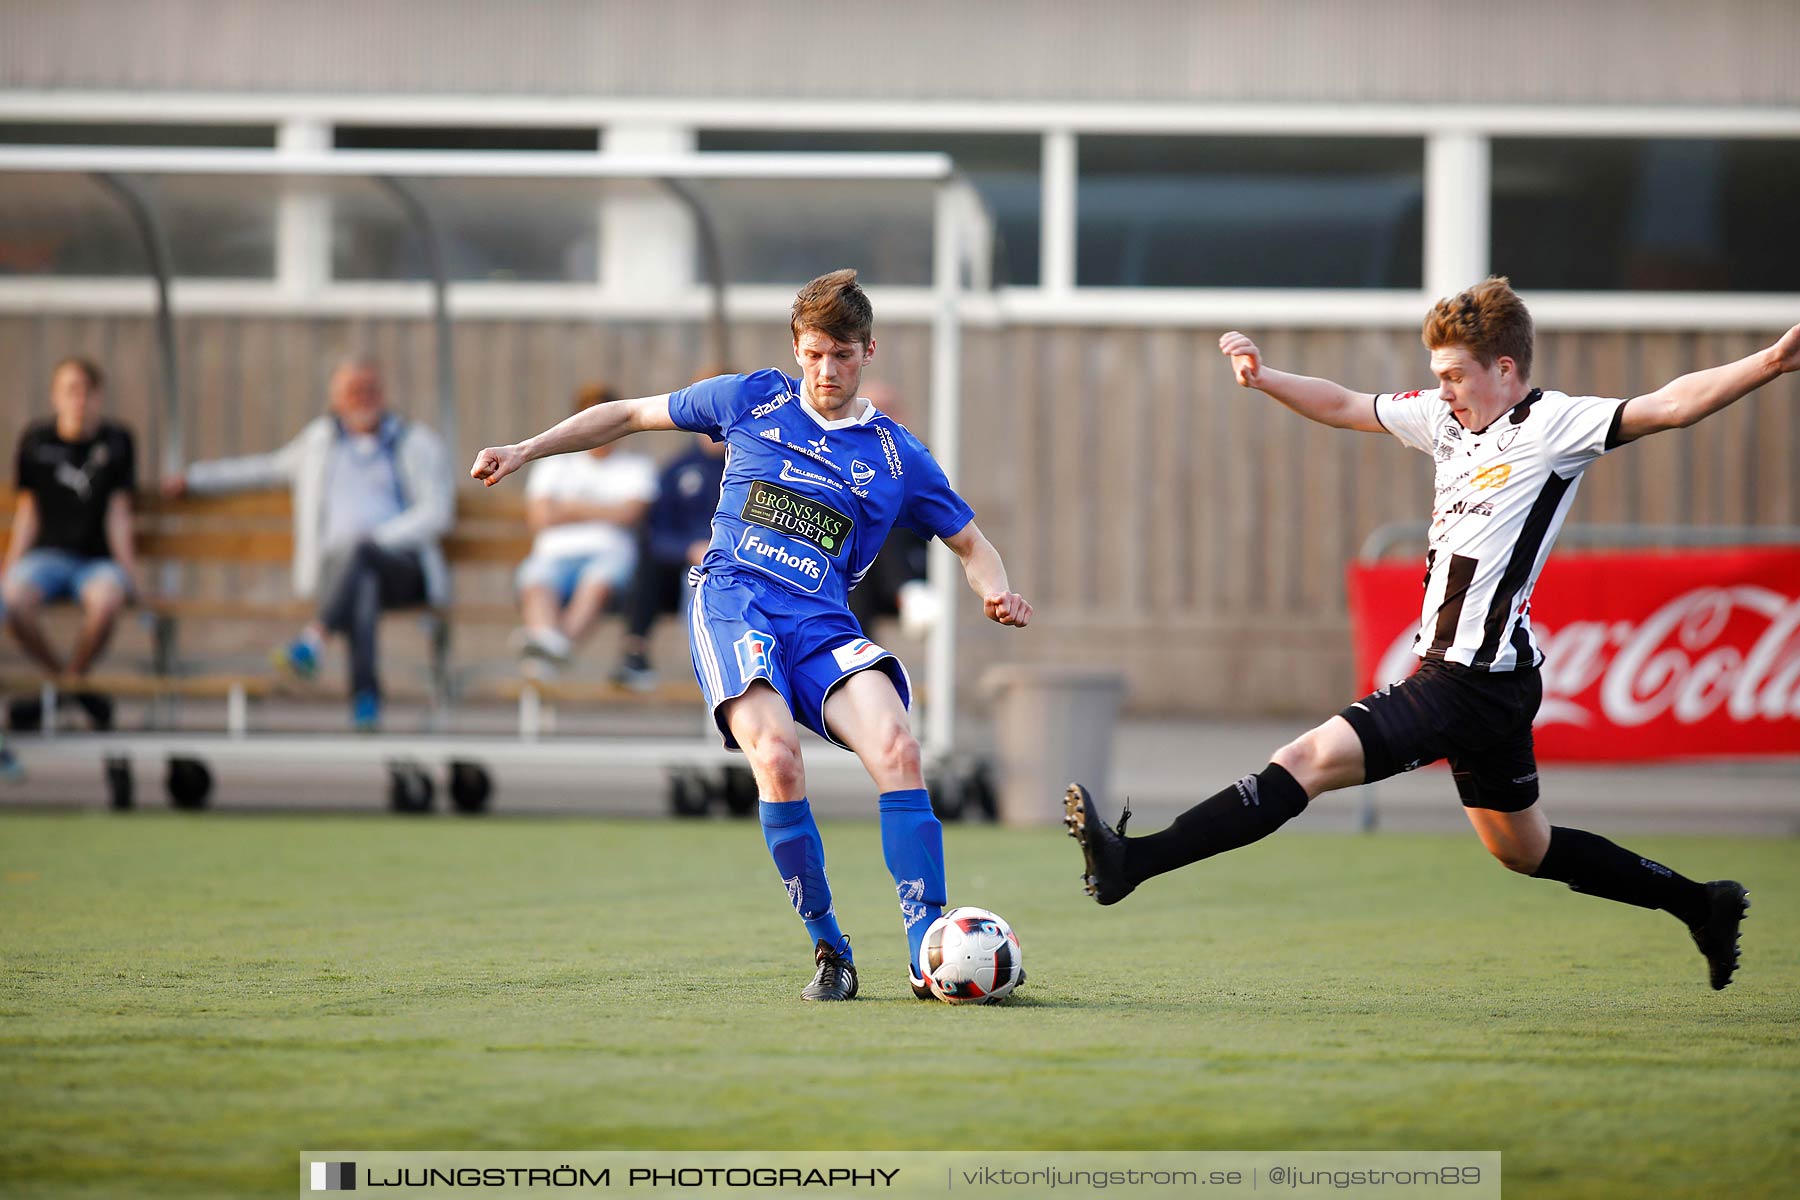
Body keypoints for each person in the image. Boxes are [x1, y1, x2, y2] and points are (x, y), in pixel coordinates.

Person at [1066, 277, 1797, 992]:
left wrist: (1770, 360)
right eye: (1437, 377)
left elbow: (1669, 406)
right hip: (1493, 683)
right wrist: (1265, 378)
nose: (1444, 391)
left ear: (1505, 370)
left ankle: (1134, 863)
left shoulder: (1554, 428)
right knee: (1524, 850)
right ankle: (1703, 903)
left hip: (1467, 682)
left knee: (1306, 759)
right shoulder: (1446, 421)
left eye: (1455, 376)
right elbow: (1349, 404)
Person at [473, 269, 1033, 1001]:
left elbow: (970, 543)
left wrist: (997, 591)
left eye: (841, 355)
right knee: (777, 757)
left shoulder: (896, 456)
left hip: (822, 622)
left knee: (898, 748)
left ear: (868, 351)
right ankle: (830, 948)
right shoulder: (752, 397)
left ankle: (925, 949)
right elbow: (627, 415)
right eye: (813, 354)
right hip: (735, 601)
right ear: (796, 349)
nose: (825, 371)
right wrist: (526, 450)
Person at [164, 357, 453, 732]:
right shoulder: (317, 443)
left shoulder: (414, 442)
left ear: (383, 395)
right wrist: (194, 479)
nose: (362, 398)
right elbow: (262, 469)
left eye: (370, 390)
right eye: (353, 391)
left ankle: (314, 638)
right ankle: (366, 702)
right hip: (342, 572)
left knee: (362, 553)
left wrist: (377, 539)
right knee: (362, 582)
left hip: (404, 567)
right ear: (337, 399)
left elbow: (437, 512)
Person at [3, 356, 139, 731]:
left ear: (98, 397)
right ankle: (71, 686)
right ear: (55, 396)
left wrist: (131, 573)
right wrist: (9, 566)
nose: (79, 400)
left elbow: (118, 512)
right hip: (46, 557)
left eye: (86, 391)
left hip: (96, 560)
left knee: (108, 599)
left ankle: (58, 692)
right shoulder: (36, 440)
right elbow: (28, 512)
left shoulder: (116, 441)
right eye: (70, 391)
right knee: (12, 599)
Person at [513, 383, 657, 677]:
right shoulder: (554, 463)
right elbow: (540, 517)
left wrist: (569, 507)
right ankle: (554, 647)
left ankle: (549, 650)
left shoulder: (636, 467)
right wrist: (603, 510)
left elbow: (629, 515)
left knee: (597, 582)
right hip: (554, 555)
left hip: (609, 556)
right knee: (535, 579)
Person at [611, 431, 727, 691]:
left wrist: (719, 548)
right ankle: (635, 651)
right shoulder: (678, 469)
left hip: (734, 563)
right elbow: (657, 534)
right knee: (648, 562)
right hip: (678, 575)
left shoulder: (750, 467)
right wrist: (689, 548)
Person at [844, 381, 932, 639]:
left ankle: (907, 588)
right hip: (858, 575)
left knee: (883, 513)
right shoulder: (841, 456)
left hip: (909, 557)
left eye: (887, 410)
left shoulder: (917, 458)